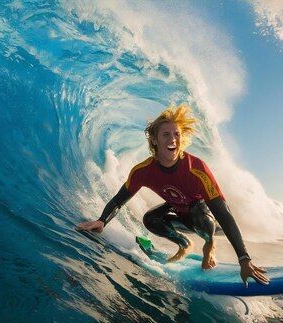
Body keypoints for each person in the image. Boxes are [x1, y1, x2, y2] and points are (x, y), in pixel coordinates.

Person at [77, 103, 269, 287]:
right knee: (150, 219)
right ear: (154, 139)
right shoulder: (143, 171)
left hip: (205, 219)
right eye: (166, 134)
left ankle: (209, 245)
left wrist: (244, 259)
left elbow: (223, 213)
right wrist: (102, 221)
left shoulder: (196, 169)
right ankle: (184, 243)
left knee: (197, 211)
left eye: (176, 134)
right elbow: (120, 200)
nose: (173, 139)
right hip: (180, 215)